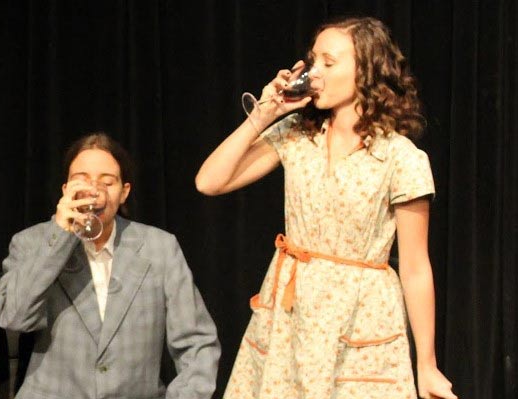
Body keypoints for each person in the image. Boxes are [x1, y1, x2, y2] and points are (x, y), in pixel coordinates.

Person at [195, 16, 457, 399]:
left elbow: (416, 267)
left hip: (360, 322)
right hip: (291, 317)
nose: (315, 72)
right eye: (313, 61)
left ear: (367, 69)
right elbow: (209, 181)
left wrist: (427, 365)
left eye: (329, 63)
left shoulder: (401, 158)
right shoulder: (296, 136)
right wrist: (265, 113)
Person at [0, 133, 220, 398]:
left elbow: (197, 343)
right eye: (82, 180)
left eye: (107, 182)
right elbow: (13, 317)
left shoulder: (160, 247)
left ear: (124, 193)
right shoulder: (32, 243)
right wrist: (59, 237)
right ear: (65, 189)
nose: (93, 191)